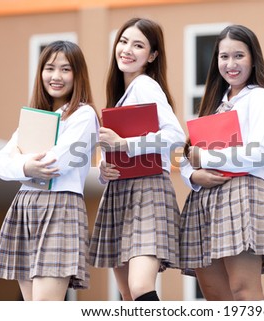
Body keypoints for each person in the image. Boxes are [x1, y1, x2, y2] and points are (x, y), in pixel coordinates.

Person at [179, 24, 264, 301]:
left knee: (244, 290)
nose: (231, 64)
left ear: (253, 59)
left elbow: (260, 153)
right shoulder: (213, 103)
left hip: (243, 195)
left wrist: (205, 157)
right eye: (224, 56)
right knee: (216, 296)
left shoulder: (259, 97)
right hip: (205, 200)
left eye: (239, 56)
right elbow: (186, 154)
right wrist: (193, 176)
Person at [0, 40, 100, 300]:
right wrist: (26, 166)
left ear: (78, 74)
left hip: (61, 206)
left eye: (65, 69)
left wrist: (21, 163)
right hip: (26, 205)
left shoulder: (83, 115)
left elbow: (56, 163)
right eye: (50, 68)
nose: (56, 76)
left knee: (44, 305)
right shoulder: (36, 116)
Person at [89, 17, 185, 301]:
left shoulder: (145, 85)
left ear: (152, 56)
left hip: (147, 191)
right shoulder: (123, 94)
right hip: (121, 192)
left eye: (138, 45)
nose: (127, 49)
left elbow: (176, 135)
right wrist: (104, 169)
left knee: (141, 287)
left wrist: (124, 144)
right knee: (128, 295)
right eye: (123, 41)